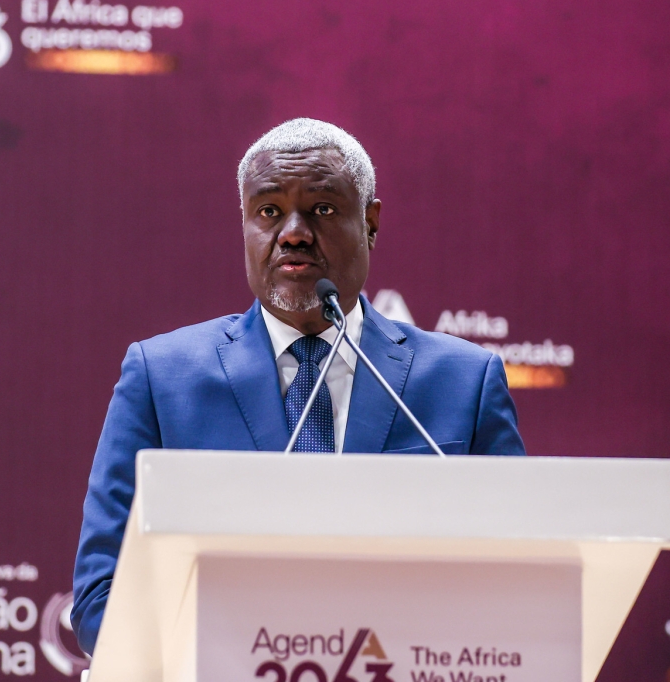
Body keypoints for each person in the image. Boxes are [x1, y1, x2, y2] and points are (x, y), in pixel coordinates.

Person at [71, 118, 526, 654]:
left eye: (323, 209)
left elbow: (522, 580)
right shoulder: (162, 376)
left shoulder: (464, 381)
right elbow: (101, 597)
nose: (293, 232)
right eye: (268, 211)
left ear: (371, 222)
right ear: (244, 225)